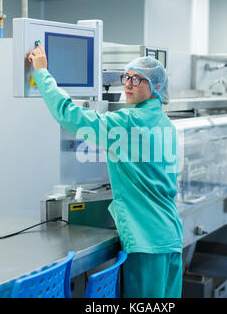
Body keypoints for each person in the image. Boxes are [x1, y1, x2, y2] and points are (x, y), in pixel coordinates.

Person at [28, 44, 183, 298]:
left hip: (147, 243)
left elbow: (69, 115)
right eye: (126, 77)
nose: (128, 84)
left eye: (137, 79)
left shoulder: (128, 123)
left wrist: (42, 73)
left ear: (155, 86)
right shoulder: (166, 125)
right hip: (170, 237)